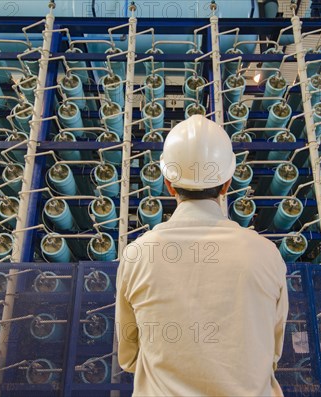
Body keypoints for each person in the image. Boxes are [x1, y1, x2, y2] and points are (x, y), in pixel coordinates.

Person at [115, 115, 289, 396]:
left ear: (169, 184)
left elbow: (128, 355)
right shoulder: (266, 255)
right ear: (227, 184)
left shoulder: (137, 255)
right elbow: (272, 351)